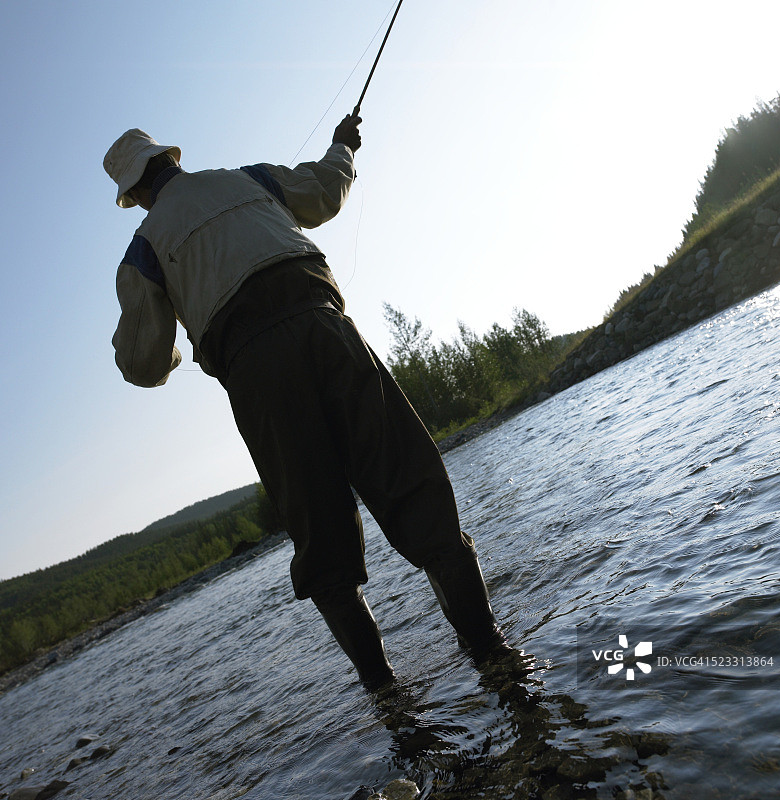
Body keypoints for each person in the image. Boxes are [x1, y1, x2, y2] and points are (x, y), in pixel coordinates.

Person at [104, 116, 509, 691]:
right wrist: (344, 144)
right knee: (414, 490)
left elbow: (141, 363)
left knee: (322, 543)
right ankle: (494, 655)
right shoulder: (249, 179)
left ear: (136, 193)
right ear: (170, 160)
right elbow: (325, 189)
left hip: (259, 377)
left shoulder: (143, 249)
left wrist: (174, 353)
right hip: (329, 331)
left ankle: (387, 696)